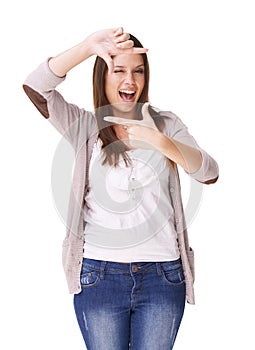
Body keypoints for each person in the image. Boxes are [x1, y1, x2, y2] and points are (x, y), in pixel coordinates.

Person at [23, 27, 219, 350]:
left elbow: (209, 173)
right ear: (103, 76)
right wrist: (87, 47)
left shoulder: (166, 124)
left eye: (138, 71)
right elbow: (35, 86)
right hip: (99, 278)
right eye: (120, 70)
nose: (131, 81)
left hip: (163, 277)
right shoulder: (85, 126)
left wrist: (160, 142)